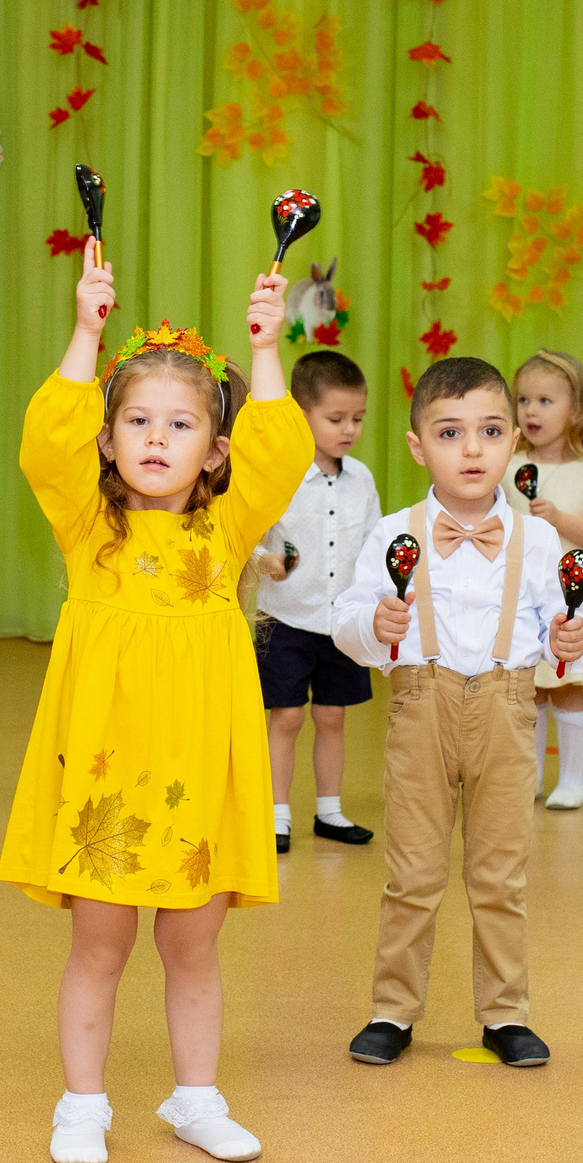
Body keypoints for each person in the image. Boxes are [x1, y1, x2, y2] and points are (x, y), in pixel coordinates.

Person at [0, 245, 306, 1163]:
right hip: (105, 774)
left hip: (195, 769)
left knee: (194, 942)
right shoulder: (89, 527)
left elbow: (280, 445)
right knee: (100, 941)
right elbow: (43, 441)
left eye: (181, 424)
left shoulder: (228, 524)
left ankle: (195, 1097)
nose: (158, 437)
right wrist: (87, 331)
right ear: (109, 437)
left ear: (214, 450)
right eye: (137, 420)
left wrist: (264, 350)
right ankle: (82, 1102)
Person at [333, 356, 583, 1069]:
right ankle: (392, 1008)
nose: (472, 450)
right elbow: (347, 618)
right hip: (421, 704)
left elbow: (567, 625)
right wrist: (374, 626)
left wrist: (570, 642)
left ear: (514, 443)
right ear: (418, 446)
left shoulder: (538, 537)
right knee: (413, 870)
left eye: (490, 431)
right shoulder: (394, 531)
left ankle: (506, 1013)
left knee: (499, 873)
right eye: (450, 432)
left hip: (509, 708)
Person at [250, 349, 381, 852]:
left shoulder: (362, 480)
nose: (349, 429)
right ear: (300, 415)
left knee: (333, 716)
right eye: (335, 418)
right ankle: (277, 815)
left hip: (341, 622)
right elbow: (250, 538)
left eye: (357, 419)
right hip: (284, 618)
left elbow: (372, 543)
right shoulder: (278, 476)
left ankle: (330, 811)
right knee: (286, 717)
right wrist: (267, 560)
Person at [509, 349, 583, 810]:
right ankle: (530, 778)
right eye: (523, 400)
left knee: (568, 686)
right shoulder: (510, 466)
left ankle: (573, 780)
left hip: (573, 597)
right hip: (525, 596)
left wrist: (559, 519)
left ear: (576, 410)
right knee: (530, 688)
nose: (531, 410)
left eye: (545, 400)